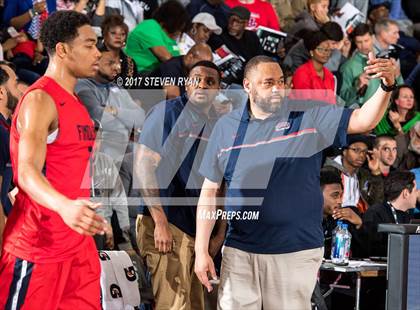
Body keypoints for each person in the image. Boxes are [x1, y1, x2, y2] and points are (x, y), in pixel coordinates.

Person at [194, 53, 396, 309]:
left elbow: (364, 120)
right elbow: (210, 192)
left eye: (281, 81)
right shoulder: (226, 127)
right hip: (240, 250)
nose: (278, 88)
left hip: (295, 251)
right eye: (268, 83)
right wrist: (202, 250)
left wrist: (387, 86)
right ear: (248, 86)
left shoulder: (309, 115)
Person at [0, 11, 107, 309]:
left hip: (77, 244)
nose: (97, 53)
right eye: (89, 45)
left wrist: (89, 215)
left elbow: (72, 170)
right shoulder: (39, 100)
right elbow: (27, 172)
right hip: (37, 245)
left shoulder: (76, 102)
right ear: (62, 49)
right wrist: (65, 206)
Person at [135, 61, 225, 310]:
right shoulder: (167, 112)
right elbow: (143, 166)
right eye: (197, 79)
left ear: (219, 88)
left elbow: (222, 183)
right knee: (173, 305)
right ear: (186, 83)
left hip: (198, 227)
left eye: (210, 81)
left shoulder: (218, 123)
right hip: (166, 220)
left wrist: (218, 234)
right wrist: (160, 221)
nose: (202, 85)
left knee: (196, 305)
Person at [76, 45, 145, 161]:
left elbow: (141, 117)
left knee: (149, 155)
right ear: (95, 63)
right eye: (110, 63)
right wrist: (127, 120)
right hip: (101, 147)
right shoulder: (82, 86)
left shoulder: (116, 87)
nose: (117, 68)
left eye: (118, 63)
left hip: (122, 144)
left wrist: (114, 110)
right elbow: (98, 116)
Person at [339, 23, 404, 107]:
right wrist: (356, 87)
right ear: (355, 42)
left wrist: (397, 75)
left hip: (387, 112)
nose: (364, 45)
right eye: (359, 42)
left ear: (373, 38)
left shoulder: (386, 59)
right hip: (363, 114)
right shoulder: (348, 67)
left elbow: (401, 90)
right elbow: (342, 100)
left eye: (366, 40)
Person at [362, 170, 416, 257]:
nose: (417, 194)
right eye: (415, 191)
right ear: (406, 193)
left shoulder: (408, 215)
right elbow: (371, 250)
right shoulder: (375, 213)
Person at [125, 0, 189, 73]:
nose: (180, 32)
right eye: (180, 27)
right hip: (137, 75)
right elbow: (166, 58)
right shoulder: (150, 25)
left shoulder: (171, 40)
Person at [208, 6, 264, 83]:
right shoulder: (220, 35)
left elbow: (259, 59)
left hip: (247, 78)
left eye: (237, 21)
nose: (233, 24)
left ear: (245, 24)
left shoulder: (252, 37)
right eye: (231, 20)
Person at [0, 62, 22, 248]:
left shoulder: (7, 130)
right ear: (1, 93)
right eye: (15, 84)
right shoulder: (0, 133)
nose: (20, 91)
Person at [320, 167, 363, 258]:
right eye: (335, 195)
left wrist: (359, 224)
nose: (340, 201)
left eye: (341, 195)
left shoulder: (341, 219)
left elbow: (361, 255)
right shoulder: (304, 222)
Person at [291, 30, 336, 104]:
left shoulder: (329, 75)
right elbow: (304, 105)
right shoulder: (302, 73)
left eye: (328, 49)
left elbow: (332, 103)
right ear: (311, 52)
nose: (325, 53)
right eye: (321, 49)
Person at [100, 14, 138, 84]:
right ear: (104, 35)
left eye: (122, 34)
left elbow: (133, 90)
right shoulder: (96, 57)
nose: (118, 37)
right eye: (113, 33)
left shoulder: (131, 63)